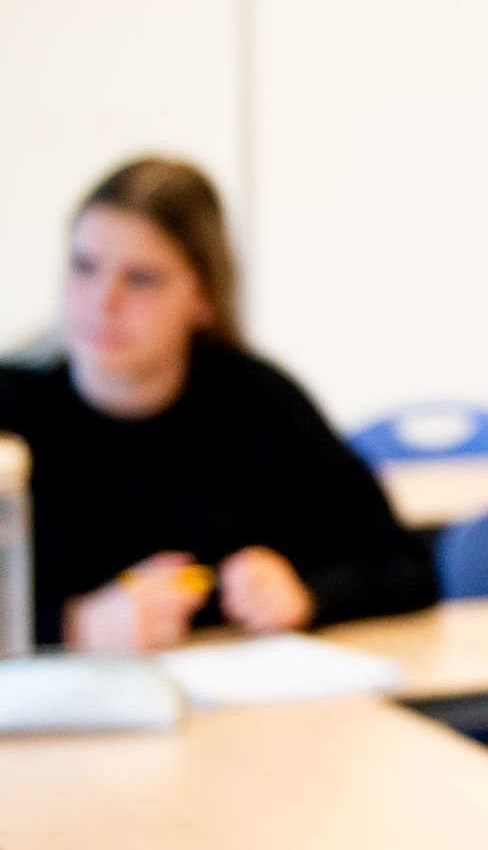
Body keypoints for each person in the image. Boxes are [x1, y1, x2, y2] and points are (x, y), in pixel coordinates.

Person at [0, 158, 436, 650]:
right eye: (84, 267)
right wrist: (73, 627)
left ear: (202, 296)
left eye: (141, 278)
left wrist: (307, 594)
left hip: (239, 715)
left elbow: (404, 566)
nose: (104, 301)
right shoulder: (12, 410)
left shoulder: (259, 403)